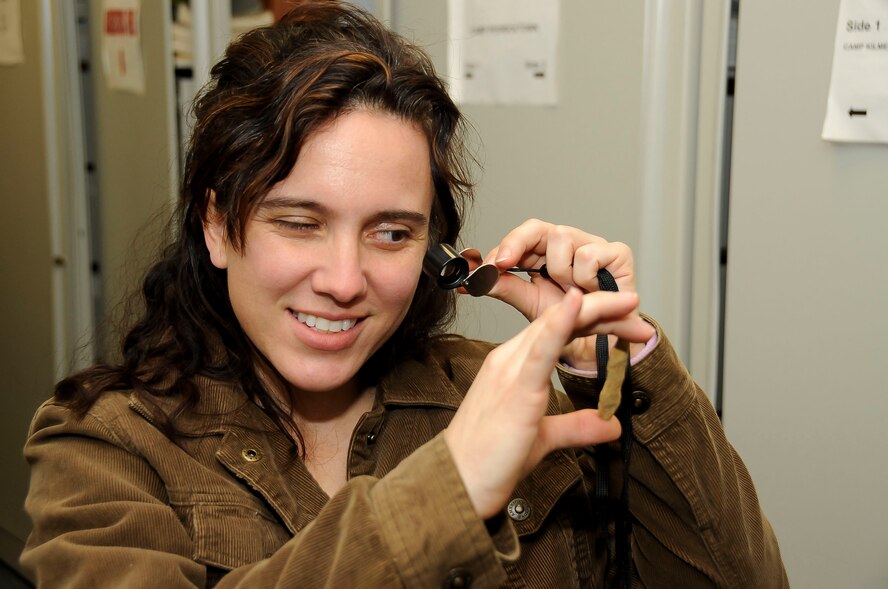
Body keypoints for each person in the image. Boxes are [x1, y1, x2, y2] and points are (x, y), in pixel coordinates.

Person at [20, 2, 788, 587]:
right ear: (218, 226)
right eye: (300, 222)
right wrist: (447, 488)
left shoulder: (496, 397)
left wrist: (617, 362)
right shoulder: (107, 446)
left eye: (391, 233)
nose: (346, 280)